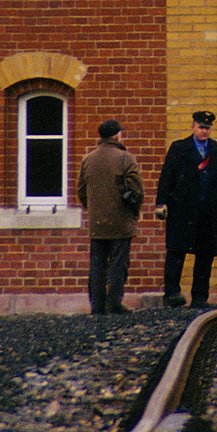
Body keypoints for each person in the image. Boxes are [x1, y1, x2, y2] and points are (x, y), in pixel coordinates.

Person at [155, 110, 217, 308]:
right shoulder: (179, 148)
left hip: (209, 211)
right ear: (193, 126)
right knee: (177, 251)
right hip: (183, 211)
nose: (204, 131)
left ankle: (200, 296)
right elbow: (166, 177)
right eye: (201, 127)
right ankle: (172, 294)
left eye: (207, 128)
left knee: (206, 254)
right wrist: (161, 203)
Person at [77, 119, 144, 315]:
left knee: (97, 264)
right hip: (121, 220)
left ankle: (97, 306)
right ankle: (114, 303)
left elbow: (81, 190)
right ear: (116, 135)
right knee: (118, 263)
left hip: (97, 221)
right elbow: (137, 190)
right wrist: (133, 210)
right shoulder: (126, 158)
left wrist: (95, 208)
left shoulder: (88, 159)